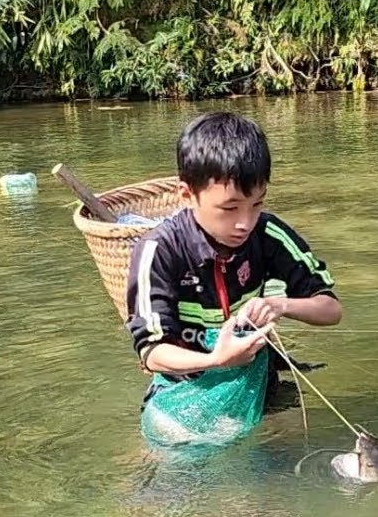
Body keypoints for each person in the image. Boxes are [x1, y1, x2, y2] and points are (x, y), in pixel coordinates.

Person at [124, 110, 343, 414]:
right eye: (229, 208)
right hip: (185, 387)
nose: (245, 223)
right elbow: (151, 352)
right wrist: (216, 360)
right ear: (187, 194)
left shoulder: (269, 234)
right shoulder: (158, 250)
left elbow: (331, 310)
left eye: (257, 204)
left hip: (256, 380)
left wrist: (281, 306)